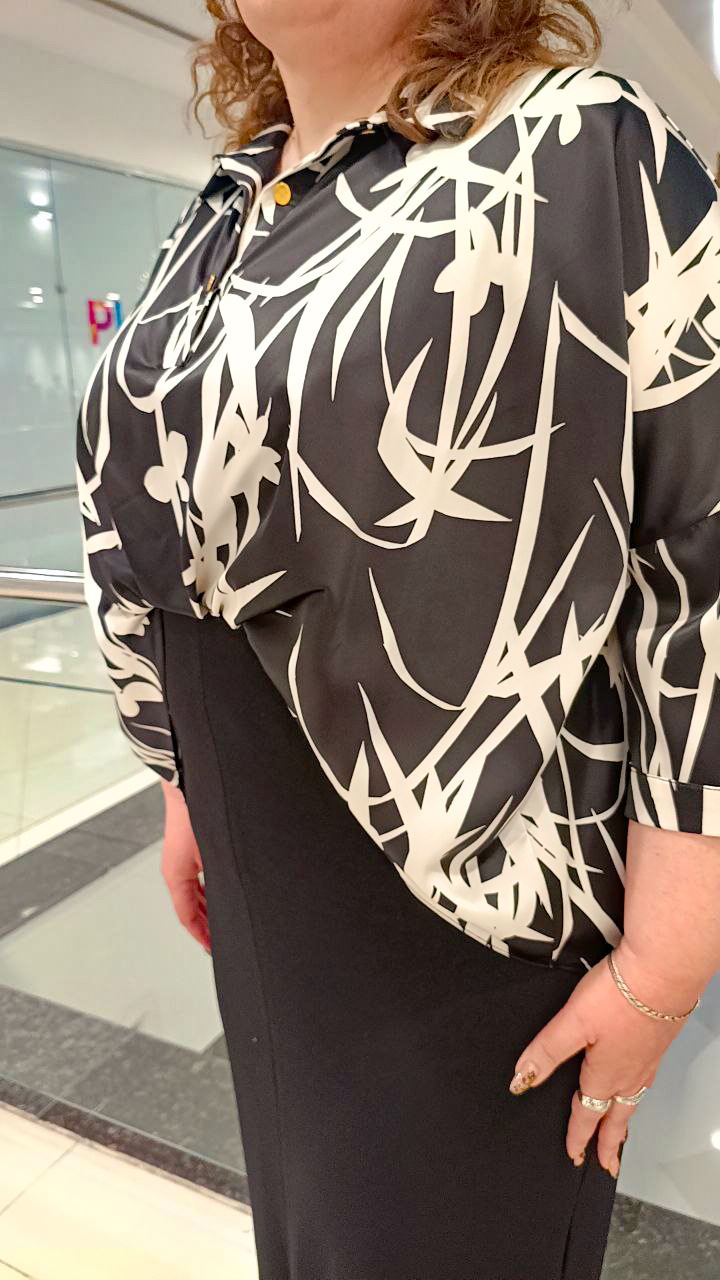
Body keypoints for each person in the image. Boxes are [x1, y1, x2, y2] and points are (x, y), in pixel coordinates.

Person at [75, 1, 720, 1276]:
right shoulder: (227, 202)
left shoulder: (579, 144)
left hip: (468, 879)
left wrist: (673, 951)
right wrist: (183, 780)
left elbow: (704, 550)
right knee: (310, 1239)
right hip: (261, 860)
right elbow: (168, 522)